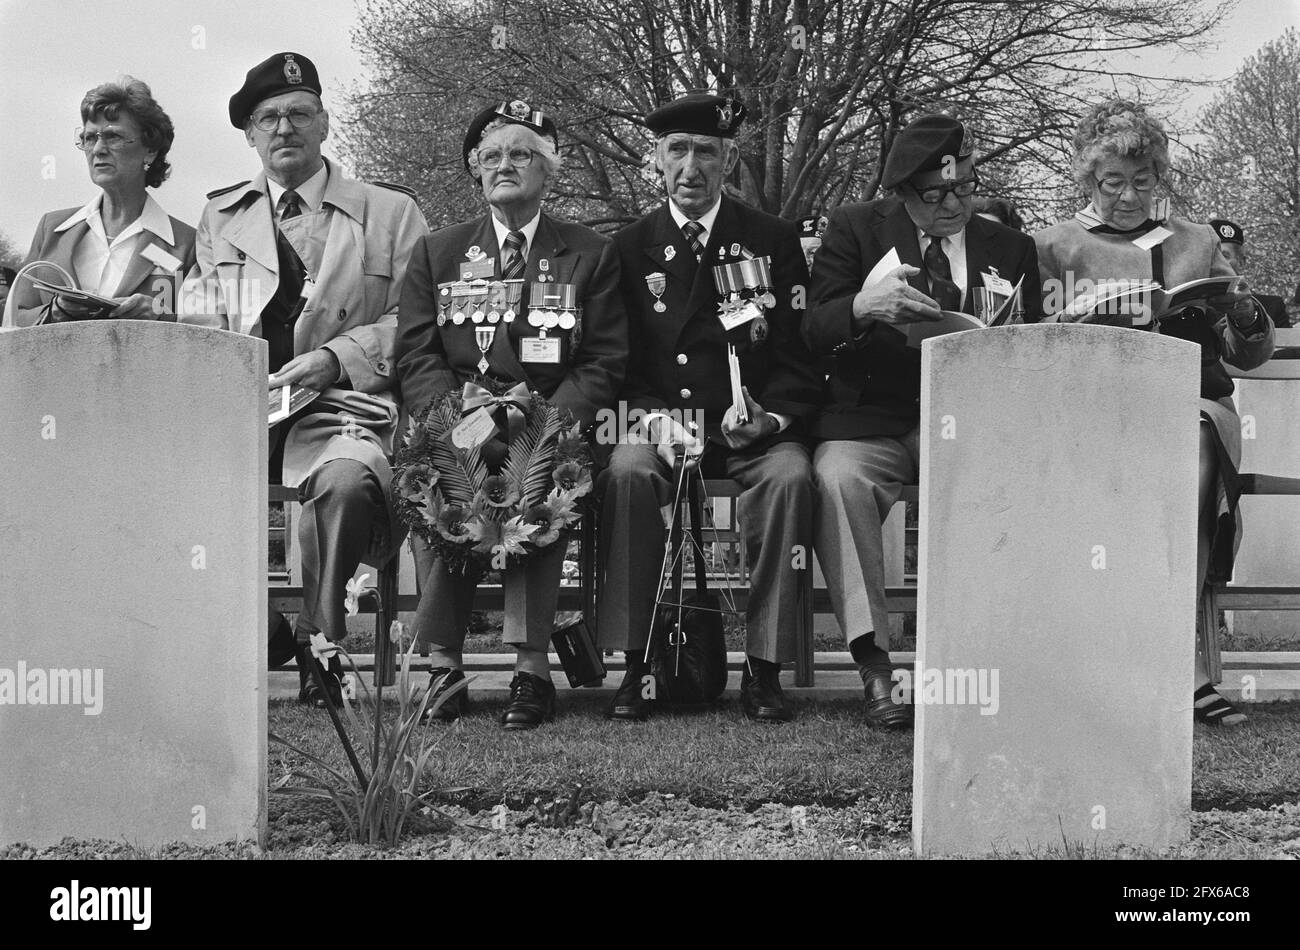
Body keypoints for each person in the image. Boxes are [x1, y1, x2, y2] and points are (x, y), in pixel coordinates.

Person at [179, 51, 430, 707]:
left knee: (343, 482)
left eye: (297, 113)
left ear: (323, 124)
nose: (283, 128)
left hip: (344, 409)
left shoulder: (391, 213)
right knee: (170, 488)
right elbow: (202, 325)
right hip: (241, 415)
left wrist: (338, 356)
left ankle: (322, 647)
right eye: (268, 118)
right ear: (251, 135)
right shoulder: (220, 218)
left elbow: (421, 323)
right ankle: (248, 636)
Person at [1035, 99, 1274, 726]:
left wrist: (1246, 317)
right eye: (1113, 183)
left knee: (1192, 444)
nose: (1129, 197)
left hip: (1190, 403)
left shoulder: (1196, 242)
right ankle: (1110, 656)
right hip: (1093, 414)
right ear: (1088, 179)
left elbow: (1247, 355)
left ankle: (1177, 656)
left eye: (1143, 182)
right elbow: (1025, 346)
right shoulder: (1055, 246)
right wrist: (1071, 319)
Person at [805, 114, 1042, 729]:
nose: (954, 204)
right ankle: (874, 663)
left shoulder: (1011, 248)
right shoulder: (856, 228)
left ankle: (989, 655)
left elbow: (1035, 344)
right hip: (874, 419)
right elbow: (813, 328)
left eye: (964, 187)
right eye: (935, 196)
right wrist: (862, 306)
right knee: (839, 480)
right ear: (903, 193)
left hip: (970, 420)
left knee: (1016, 481)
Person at [396, 99, 626, 730]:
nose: (504, 165)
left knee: (544, 473)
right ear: (476, 170)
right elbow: (414, 354)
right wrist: (455, 423)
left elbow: (604, 361)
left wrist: (540, 423)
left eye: (521, 153)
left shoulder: (589, 253)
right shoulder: (437, 253)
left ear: (548, 170)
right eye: (491, 155)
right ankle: (444, 664)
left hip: (548, 423)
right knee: (436, 468)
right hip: (459, 423)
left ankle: (531, 667)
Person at [598, 91, 823, 723]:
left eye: (706, 152)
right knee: (627, 473)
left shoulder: (772, 240)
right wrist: (653, 418)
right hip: (661, 422)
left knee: (789, 477)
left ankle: (764, 665)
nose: (690, 167)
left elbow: (799, 360)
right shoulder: (628, 247)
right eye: (677, 151)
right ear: (657, 161)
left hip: (747, 426)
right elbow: (617, 363)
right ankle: (637, 661)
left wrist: (772, 417)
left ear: (728, 161)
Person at [4, 78, 194, 327]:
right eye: (90, 137)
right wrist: (54, 312)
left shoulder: (186, 245)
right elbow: (13, 319)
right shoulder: (51, 228)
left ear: (150, 150)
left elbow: (204, 329)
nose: (98, 149)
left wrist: (161, 315)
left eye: (113, 137)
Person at [1208, 218, 1291, 328]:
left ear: (1241, 262)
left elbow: (1286, 344)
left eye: (1225, 256)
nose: (1217, 262)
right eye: (1212, 255)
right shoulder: (1192, 311)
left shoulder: (1271, 308)